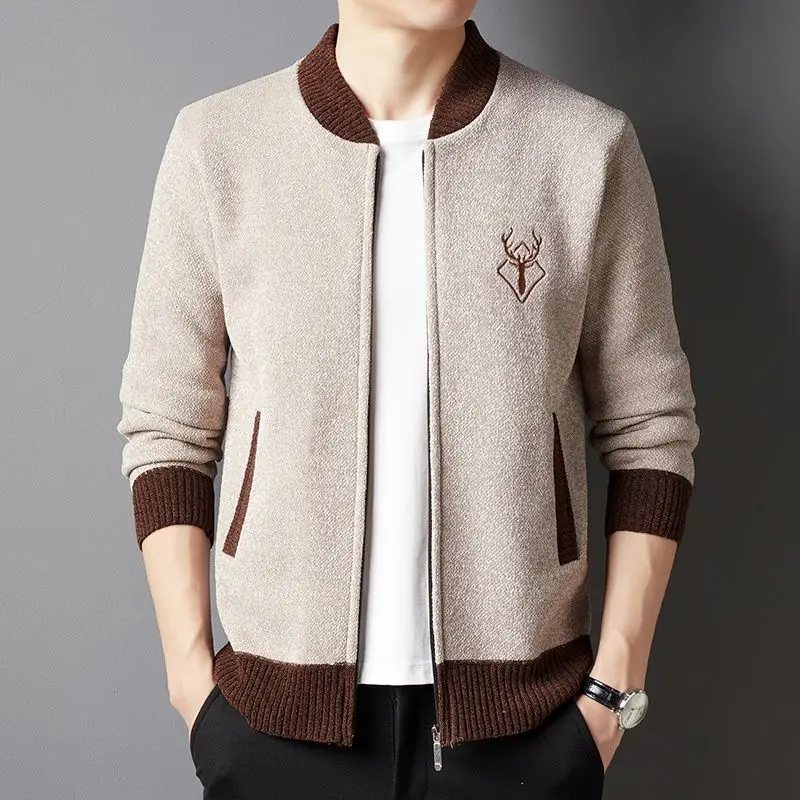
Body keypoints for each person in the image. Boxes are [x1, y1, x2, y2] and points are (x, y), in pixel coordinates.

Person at [116, 1, 700, 798]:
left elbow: (652, 429)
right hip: (273, 728)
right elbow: (167, 427)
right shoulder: (221, 145)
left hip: (524, 730)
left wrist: (611, 692)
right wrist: (193, 683)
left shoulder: (582, 146)